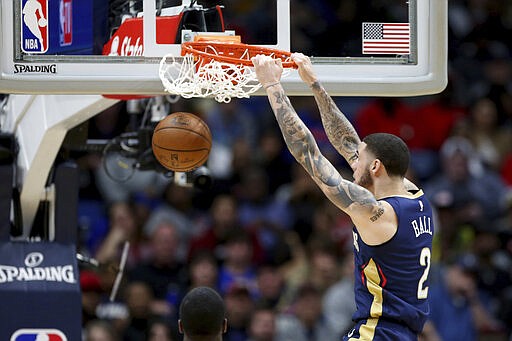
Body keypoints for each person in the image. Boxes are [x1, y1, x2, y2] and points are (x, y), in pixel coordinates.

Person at [252, 53, 434, 340]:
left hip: (378, 332)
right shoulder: (415, 196)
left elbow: (308, 154)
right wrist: (315, 85)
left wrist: (273, 87)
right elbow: (349, 143)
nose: (352, 163)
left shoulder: (375, 213)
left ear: (376, 167)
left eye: (359, 161)